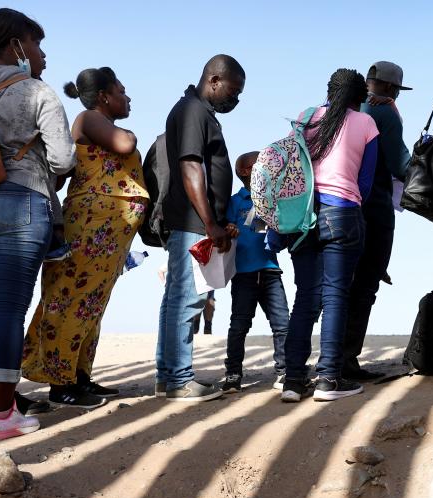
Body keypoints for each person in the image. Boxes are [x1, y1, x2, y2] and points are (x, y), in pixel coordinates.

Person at [0, 8, 75, 439]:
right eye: (38, 45)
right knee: (6, 309)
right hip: (20, 203)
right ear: (18, 46)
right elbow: (63, 159)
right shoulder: (36, 91)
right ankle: (3, 416)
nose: (42, 55)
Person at [22, 66, 149, 409]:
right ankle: (59, 382)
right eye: (122, 91)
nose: (128, 97)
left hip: (104, 234)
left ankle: (78, 376)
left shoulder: (95, 121)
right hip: (90, 230)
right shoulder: (90, 118)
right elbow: (126, 143)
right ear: (105, 96)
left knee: (90, 303)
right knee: (72, 300)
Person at [280, 69, 379, 403]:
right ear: (359, 97)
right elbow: (365, 182)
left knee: (306, 297)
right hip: (343, 213)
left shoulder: (305, 118)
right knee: (337, 296)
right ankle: (327, 380)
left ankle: (293, 381)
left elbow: (291, 169)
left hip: (303, 216)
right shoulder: (366, 124)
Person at [155, 54, 244, 402]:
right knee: (188, 299)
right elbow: (192, 166)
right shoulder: (193, 110)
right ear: (214, 80)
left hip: (193, 221)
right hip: (194, 222)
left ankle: (168, 375)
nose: (235, 99)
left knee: (176, 298)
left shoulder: (196, 110)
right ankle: (179, 379)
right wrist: (211, 223)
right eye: (233, 91)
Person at [341, 62, 412, 381]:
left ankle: (332, 356)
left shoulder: (344, 108)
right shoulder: (385, 112)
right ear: (391, 88)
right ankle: (347, 359)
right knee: (366, 284)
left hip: (340, 204)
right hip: (374, 205)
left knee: (341, 284)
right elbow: (400, 163)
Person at [220, 151, 289, 393]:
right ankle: (233, 374)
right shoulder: (236, 201)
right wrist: (229, 229)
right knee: (239, 325)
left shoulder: (273, 197)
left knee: (282, 324)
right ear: (246, 172)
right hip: (243, 274)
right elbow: (226, 228)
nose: (268, 167)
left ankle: (284, 371)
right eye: (262, 163)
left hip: (270, 271)